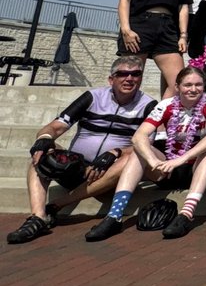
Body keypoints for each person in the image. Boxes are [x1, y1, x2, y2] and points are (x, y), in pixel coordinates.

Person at [7, 57, 157, 244]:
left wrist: (115, 152)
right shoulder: (93, 97)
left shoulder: (149, 105)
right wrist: (43, 140)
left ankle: (56, 205)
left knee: (134, 156)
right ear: (111, 79)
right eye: (122, 74)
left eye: (135, 74)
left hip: (109, 174)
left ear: (141, 78)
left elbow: (147, 145)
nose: (129, 78)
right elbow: (55, 127)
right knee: (42, 153)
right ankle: (38, 217)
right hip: (76, 166)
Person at [85, 66, 206, 241]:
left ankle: (186, 215)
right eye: (188, 85)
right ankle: (114, 216)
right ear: (177, 86)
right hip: (167, 168)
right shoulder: (166, 105)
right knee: (139, 151)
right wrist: (151, 160)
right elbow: (139, 136)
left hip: (198, 168)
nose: (193, 89)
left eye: (198, 85)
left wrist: (182, 159)